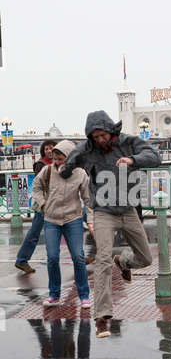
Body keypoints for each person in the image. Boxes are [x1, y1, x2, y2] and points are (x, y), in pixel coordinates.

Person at [59, 110, 162, 338]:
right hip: (104, 212)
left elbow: (155, 157)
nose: (100, 140)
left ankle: (123, 262)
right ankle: (102, 318)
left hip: (128, 210)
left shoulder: (129, 142)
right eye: (95, 137)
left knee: (145, 258)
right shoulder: (87, 149)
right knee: (103, 260)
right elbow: (69, 163)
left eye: (102, 135)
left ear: (110, 130)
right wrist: (65, 170)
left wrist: (132, 159)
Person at [32, 140, 94, 309]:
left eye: (61, 159)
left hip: (72, 219)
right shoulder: (47, 171)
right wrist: (44, 204)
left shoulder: (80, 173)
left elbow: (88, 200)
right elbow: (36, 188)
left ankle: (84, 295)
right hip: (51, 219)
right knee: (52, 257)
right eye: (55, 159)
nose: (58, 162)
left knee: (78, 257)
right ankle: (54, 294)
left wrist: (90, 221)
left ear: (70, 158)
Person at [15, 139, 57, 273]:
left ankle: (79, 256)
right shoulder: (40, 164)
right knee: (35, 232)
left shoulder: (61, 161)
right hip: (44, 203)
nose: (49, 151)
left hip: (57, 202)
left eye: (51, 148)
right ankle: (21, 260)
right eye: (47, 149)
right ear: (43, 151)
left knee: (69, 227)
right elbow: (41, 183)